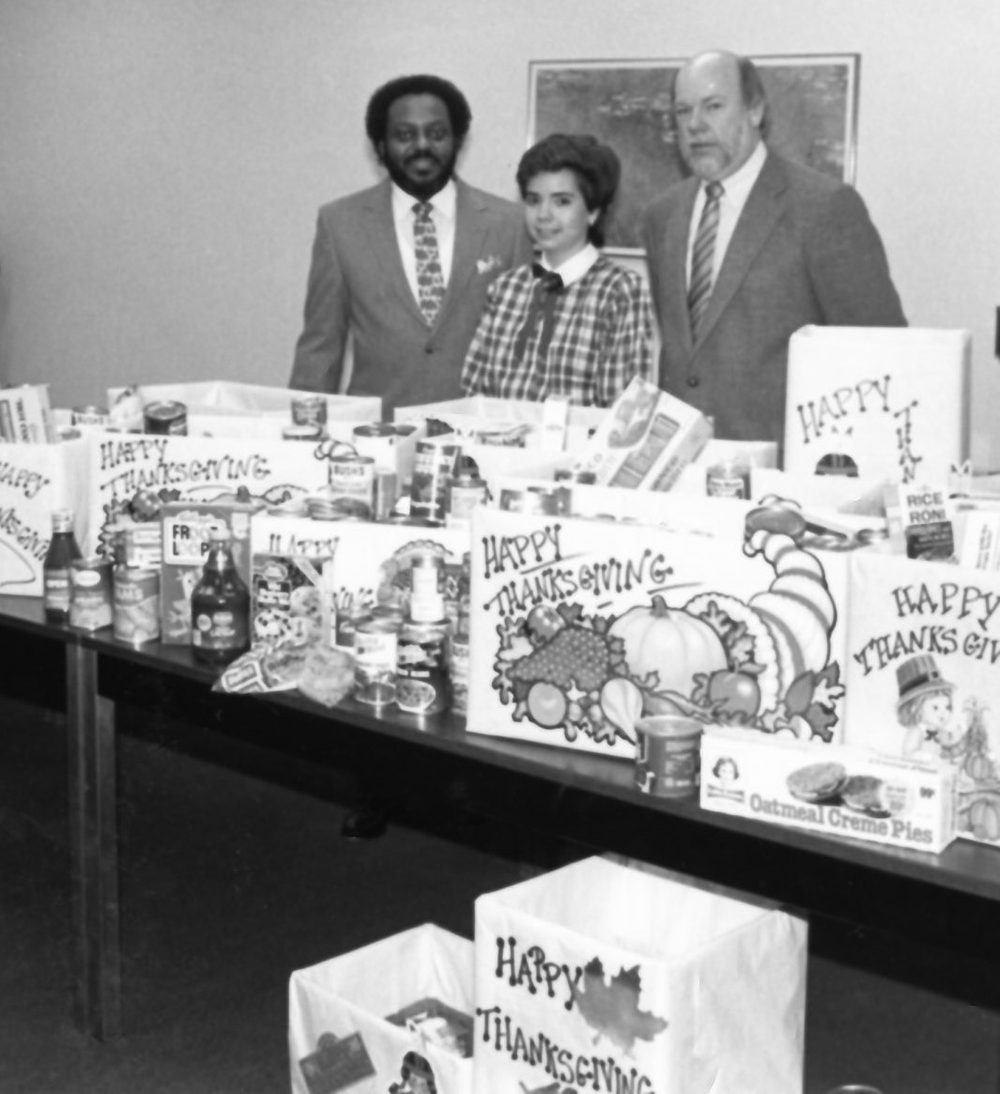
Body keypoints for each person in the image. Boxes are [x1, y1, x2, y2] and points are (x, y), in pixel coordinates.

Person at [641, 49, 906, 444]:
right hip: (681, 466)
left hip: (786, 475)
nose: (695, 125)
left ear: (755, 110)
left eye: (713, 106)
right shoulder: (662, 216)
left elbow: (881, 353)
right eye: (683, 111)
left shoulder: (824, 208)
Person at [289, 74, 531, 417]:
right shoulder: (340, 224)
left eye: (436, 134)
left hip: (477, 440)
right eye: (404, 135)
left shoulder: (508, 223)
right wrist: (302, 439)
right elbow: (321, 349)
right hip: (373, 438)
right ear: (380, 146)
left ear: (458, 140)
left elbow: (526, 346)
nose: (422, 146)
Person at [462, 133, 653, 406]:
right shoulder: (505, 288)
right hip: (499, 448)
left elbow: (622, 412)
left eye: (562, 201)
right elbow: (474, 394)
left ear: (593, 211)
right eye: (533, 200)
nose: (543, 214)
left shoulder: (620, 291)